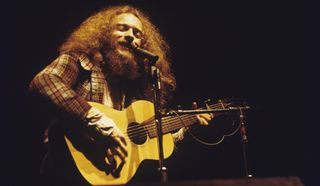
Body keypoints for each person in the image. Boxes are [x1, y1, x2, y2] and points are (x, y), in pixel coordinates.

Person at [29, 4, 213, 186]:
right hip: (64, 170)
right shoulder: (79, 60)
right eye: (122, 28)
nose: (130, 36)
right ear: (105, 33)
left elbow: (143, 139)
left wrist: (188, 123)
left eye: (137, 34)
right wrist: (99, 123)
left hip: (107, 175)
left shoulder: (134, 86)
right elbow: (44, 82)